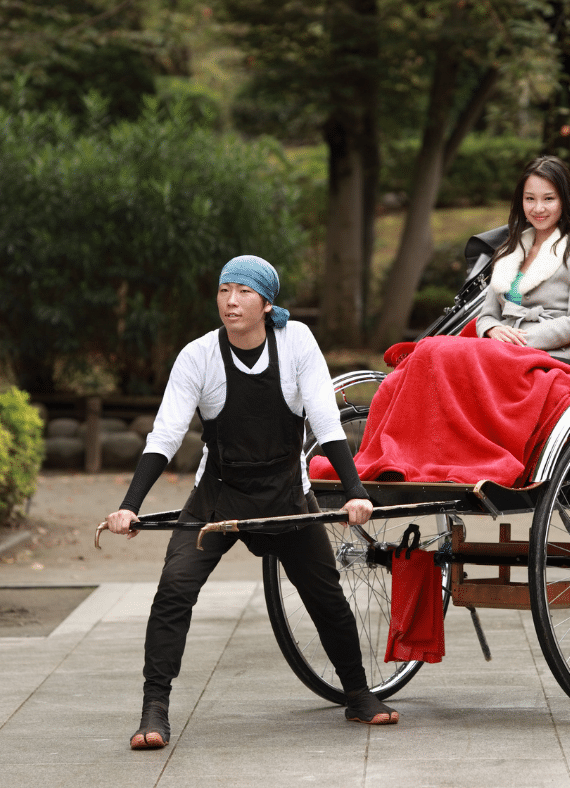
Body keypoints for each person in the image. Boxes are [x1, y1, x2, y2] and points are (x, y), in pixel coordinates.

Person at [105, 255, 398, 750]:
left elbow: (326, 424)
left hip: (286, 494)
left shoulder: (297, 341)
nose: (231, 301)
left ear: (266, 303)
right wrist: (130, 505)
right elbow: (165, 435)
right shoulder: (198, 355)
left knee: (325, 595)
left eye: (243, 292)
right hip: (218, 499)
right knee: (174, 590)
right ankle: (154, 708)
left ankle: (357, 693)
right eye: (224, 291)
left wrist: (355, 493)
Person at [476, 155, 570, 359]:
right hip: (499, 352)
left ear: (564, 200)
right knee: (431, 348)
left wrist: (518, 341)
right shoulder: (508, 250)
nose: (538, 208)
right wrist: (493, 329)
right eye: (530, 198)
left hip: (548, 356)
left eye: (549, 198)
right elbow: (487, 316)